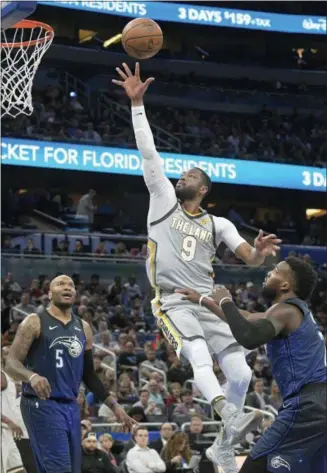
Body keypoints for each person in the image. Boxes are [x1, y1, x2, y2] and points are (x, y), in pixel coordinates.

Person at [113, 62, 280, 472]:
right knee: (201, 358)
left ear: (202, 189)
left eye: (189, 175)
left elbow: (249, 259)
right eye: (181, 174)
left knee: (241, 372)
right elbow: (149, 151)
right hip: (172, 301)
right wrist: (137, 105)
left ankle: (223, 445)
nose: (181, 176)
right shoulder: (162, 200)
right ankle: (227, 412)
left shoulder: (217, 222)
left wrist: (259, 254)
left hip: (209, 302)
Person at [178, 256, 327, 473]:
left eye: (276, 270)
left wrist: (226, 300)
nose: (269, 273)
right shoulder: (295, 313)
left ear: (286, 285)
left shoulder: (286, 310)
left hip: (307, 405)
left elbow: (248, 336)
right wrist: (203, 300)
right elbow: (246, 317)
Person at [5, 274, 135, 473]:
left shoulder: (83, 328)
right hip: (41, 403)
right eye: (60, 284)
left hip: (70, 406)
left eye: (71, 285)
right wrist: (32, 376)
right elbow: (11, 362)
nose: (67, 287)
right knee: (60, 469)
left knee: (72, 469)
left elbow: (89, 375)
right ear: (49, 293)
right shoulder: (34, 321)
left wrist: (115, 407)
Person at [1, 369, 25, 473]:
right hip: (3, 429)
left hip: (8, 433)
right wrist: (8, 422)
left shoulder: (5, 374)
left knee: (18, 470)